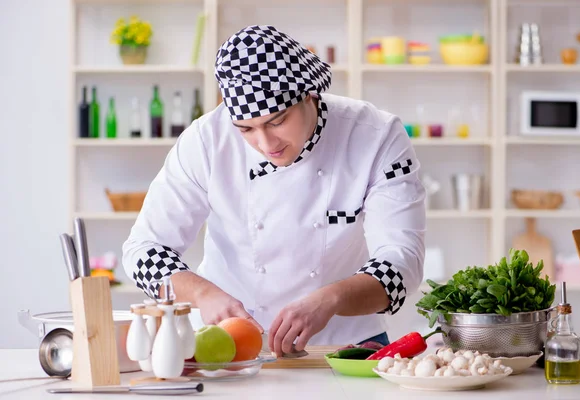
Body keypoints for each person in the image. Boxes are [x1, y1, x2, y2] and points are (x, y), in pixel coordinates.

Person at [122, 25, 426, 356]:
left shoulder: (376, 135)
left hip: (348, 344)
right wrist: (202, 294)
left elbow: (402, 261)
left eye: (277, 121)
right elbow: (143, 250)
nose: (266, 144)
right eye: (246, 129)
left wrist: (331, 298)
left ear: (309, 93)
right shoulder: (206, 140)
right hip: (225, 345)